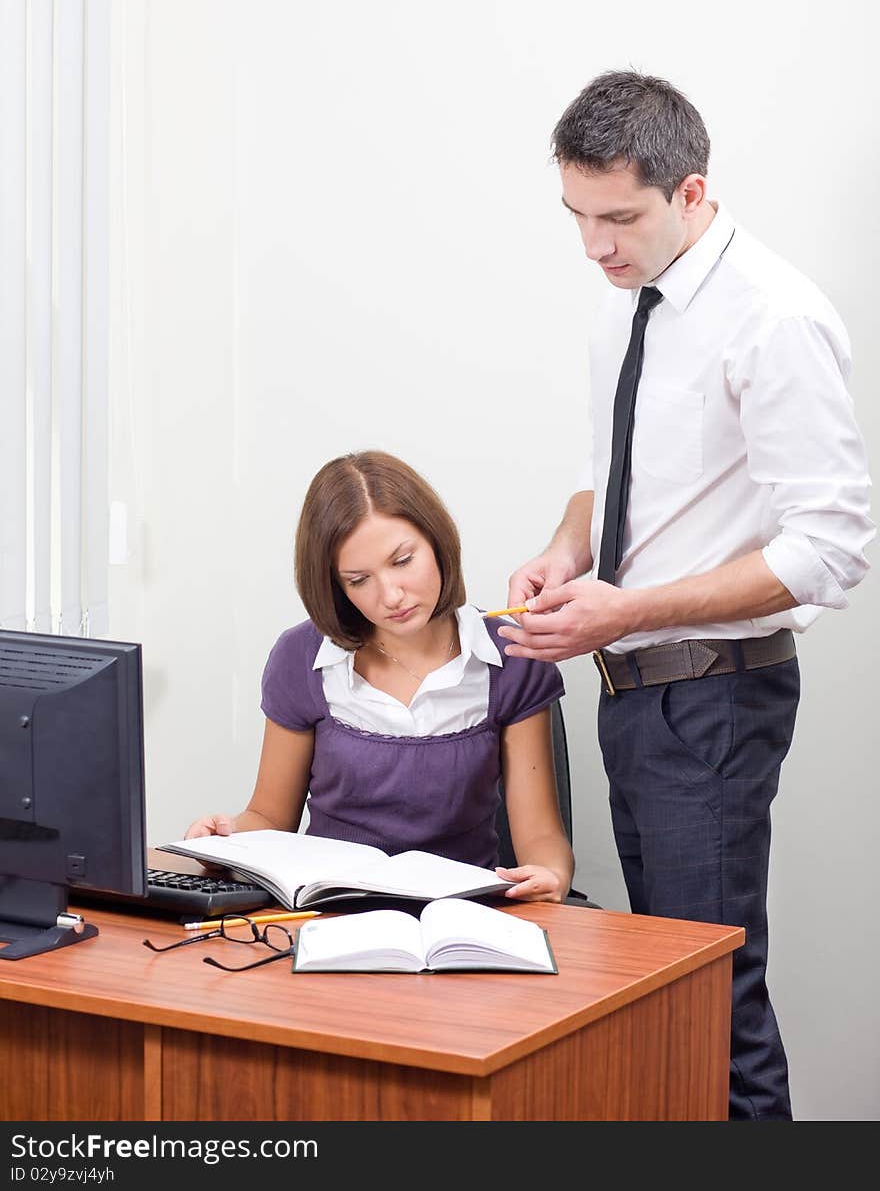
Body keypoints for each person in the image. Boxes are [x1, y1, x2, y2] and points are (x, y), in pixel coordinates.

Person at [501, 70, 873, 1118]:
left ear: (691, 192)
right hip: (635, 689)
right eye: (576, 216)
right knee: (668, 992)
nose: (594, 245)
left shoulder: (774, 316)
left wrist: (631, 609)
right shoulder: (625, 308)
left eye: (617, 217)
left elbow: (832, 546)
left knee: (712, 998)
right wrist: (567, 552)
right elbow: (613, 472)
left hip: (711, 694)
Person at [187, 449, 574, 904]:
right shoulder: (302, 658)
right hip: (329, 913)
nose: (391, 595)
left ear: (436, 541)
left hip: (460, 917)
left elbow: (541, 838)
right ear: (335, 586)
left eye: (403, 560)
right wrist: (225, 842)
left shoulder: (513, 656)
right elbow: (269, 816)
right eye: (358, 580)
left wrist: (550, 874)